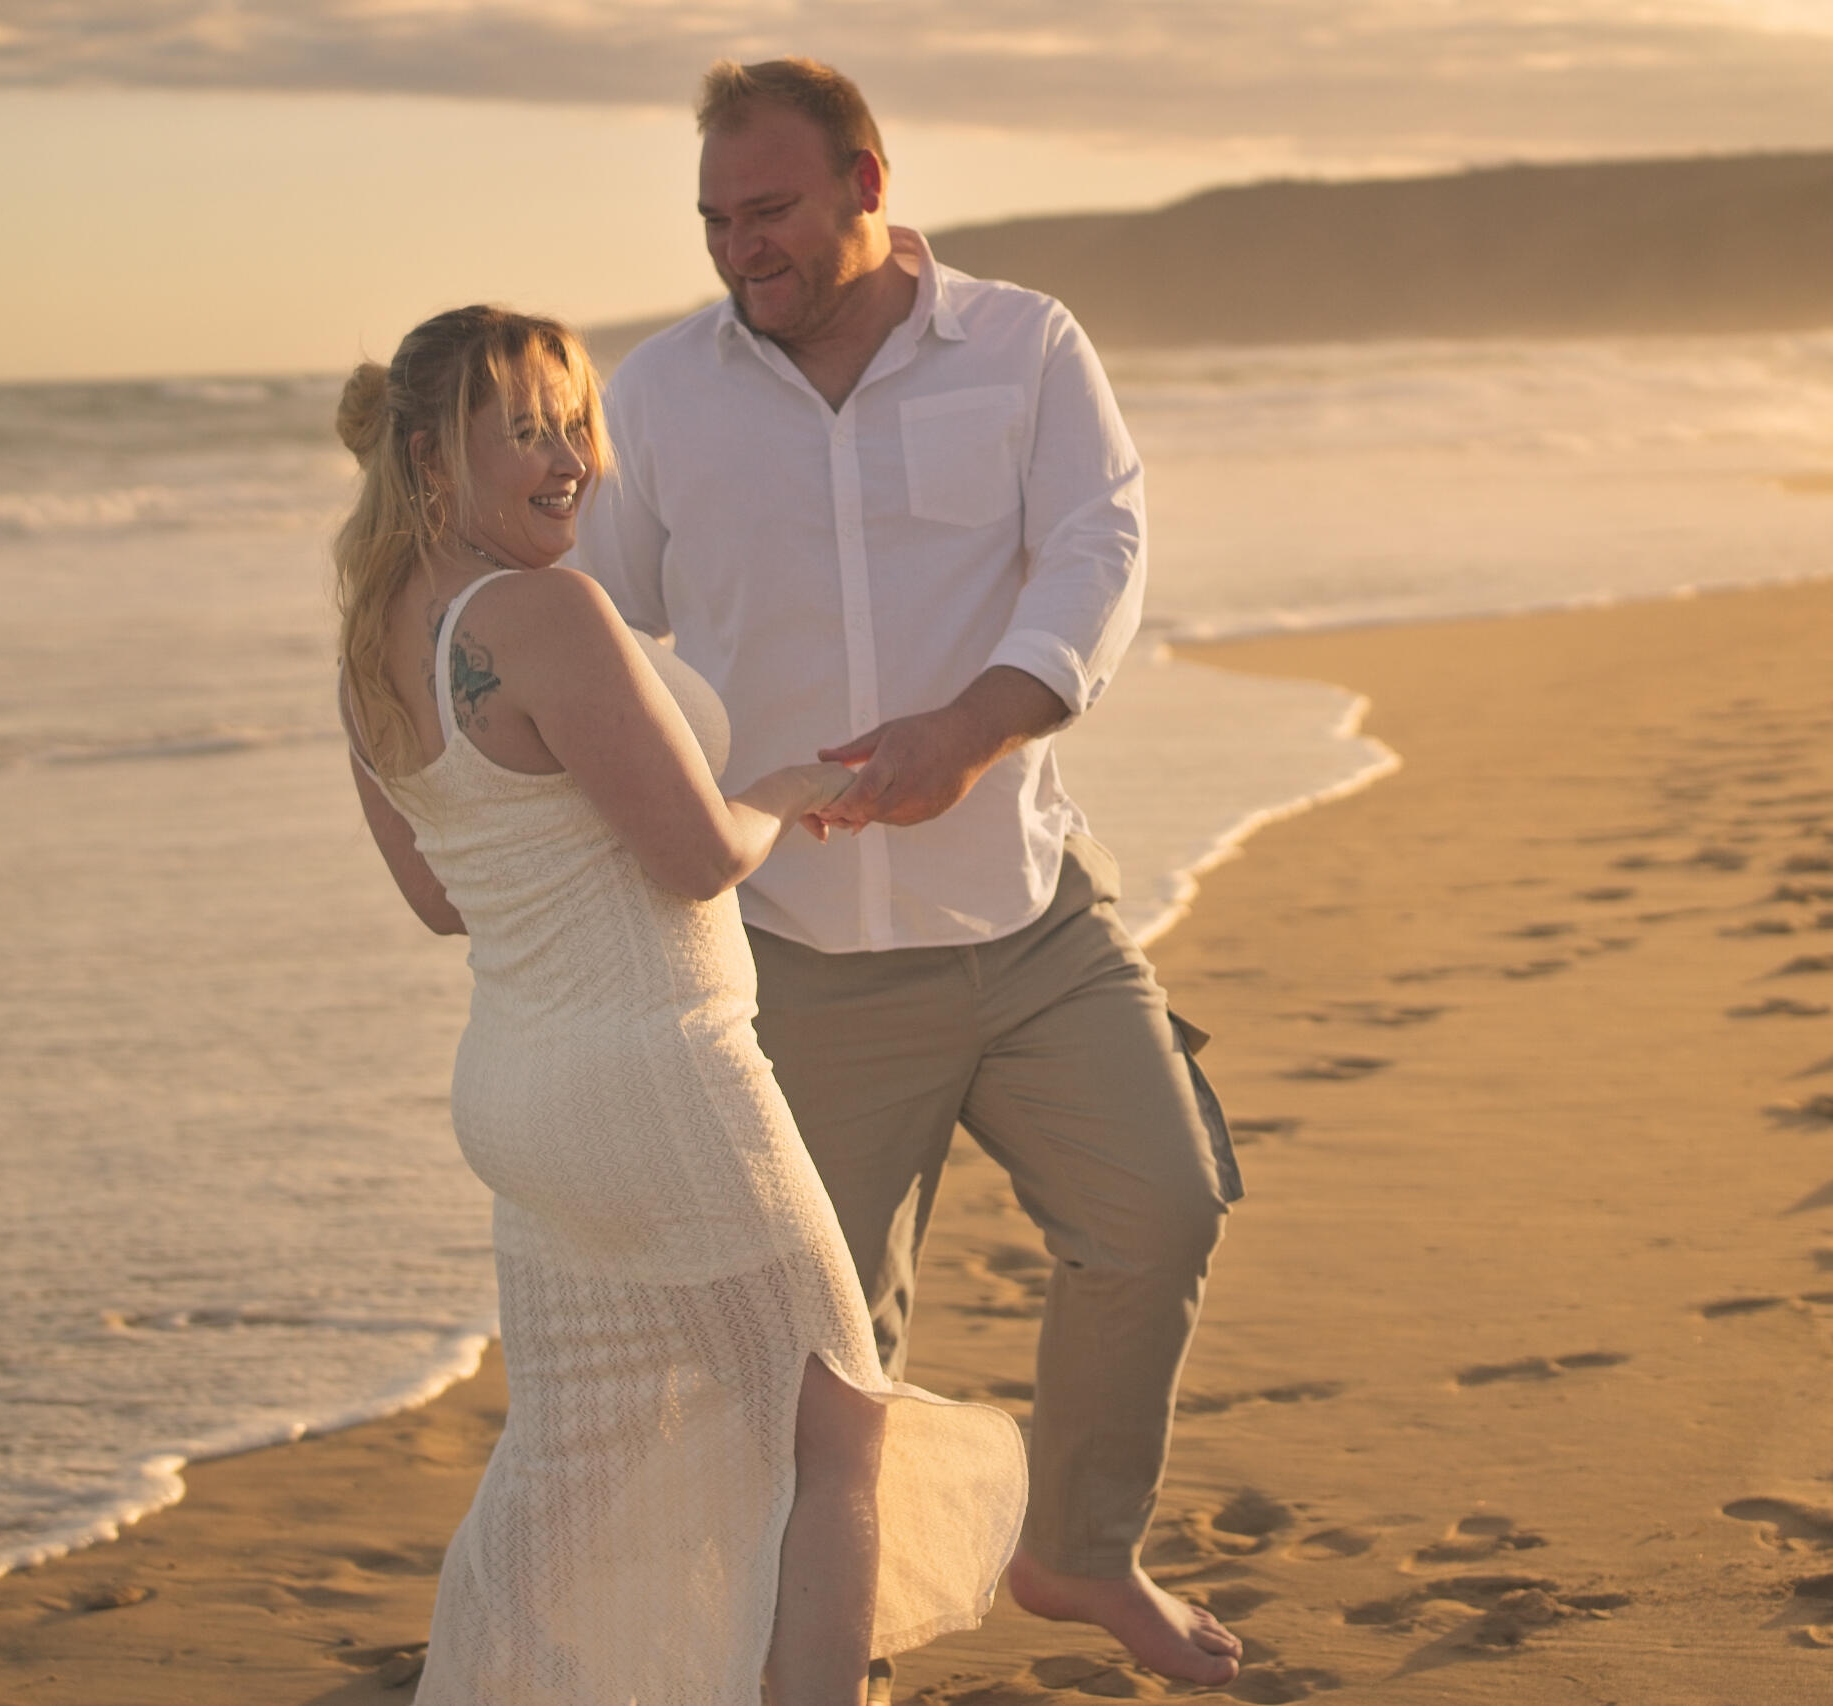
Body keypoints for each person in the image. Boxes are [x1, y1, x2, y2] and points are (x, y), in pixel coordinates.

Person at [576, 58, 1246, 1687]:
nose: (741, 246)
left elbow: (1100, 548)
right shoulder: (658, 397)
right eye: (716, 219)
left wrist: (974, 725)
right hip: (795, 946)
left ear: (867, 183)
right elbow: (588, 620)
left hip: (1029, 910)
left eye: (772, 209)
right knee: (829, 1352)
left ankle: (1080, 1550)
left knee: (1159, 1209)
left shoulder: (1024, 347)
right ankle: (835, 1646)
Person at [332, 303, 1027, 1705]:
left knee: (572, 1462)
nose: (569, 460)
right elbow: (700, 858)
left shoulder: (373, 642)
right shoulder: (543, 613)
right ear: (429, 456)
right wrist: (784, 788)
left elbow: (440, 896)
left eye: (575, 426)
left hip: (520, 1093)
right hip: (658, 1074)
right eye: (525, 431)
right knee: (833, 1422)